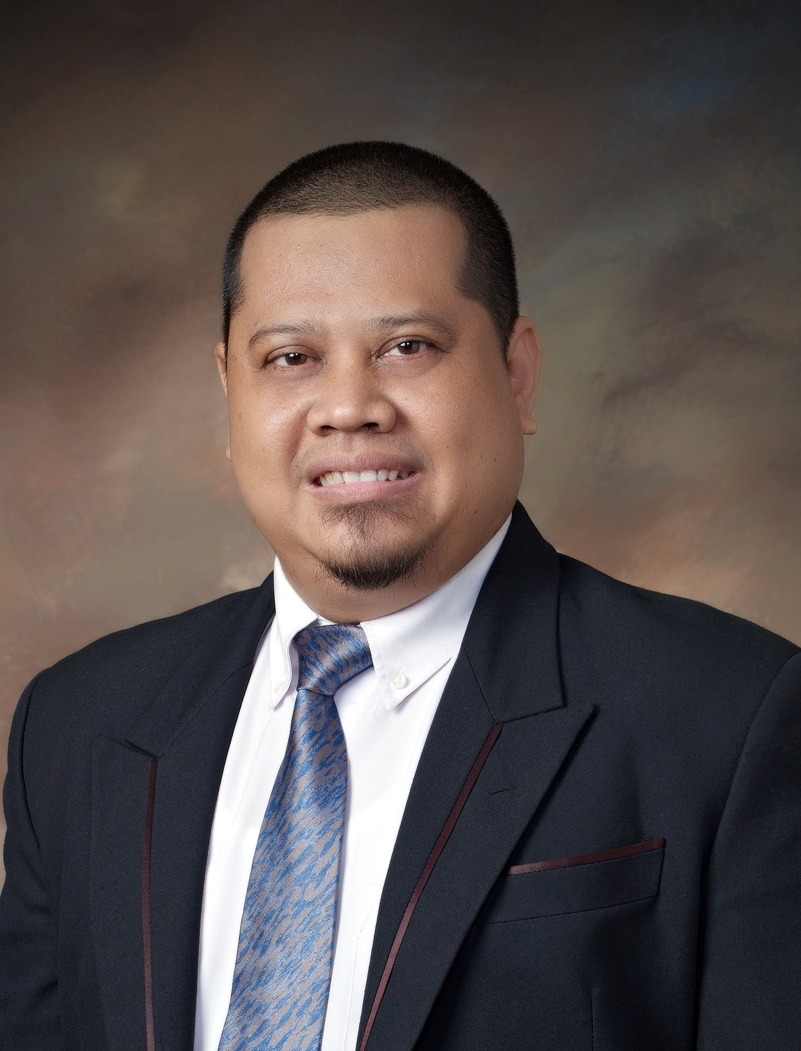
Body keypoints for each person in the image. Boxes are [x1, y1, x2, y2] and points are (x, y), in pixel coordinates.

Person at [1, 141, 799, 1051]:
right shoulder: (79, 723)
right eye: (291, 356)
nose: (349, 405)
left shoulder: (728, 715)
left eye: (407, 347)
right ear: (229, 390)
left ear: (516, 371)